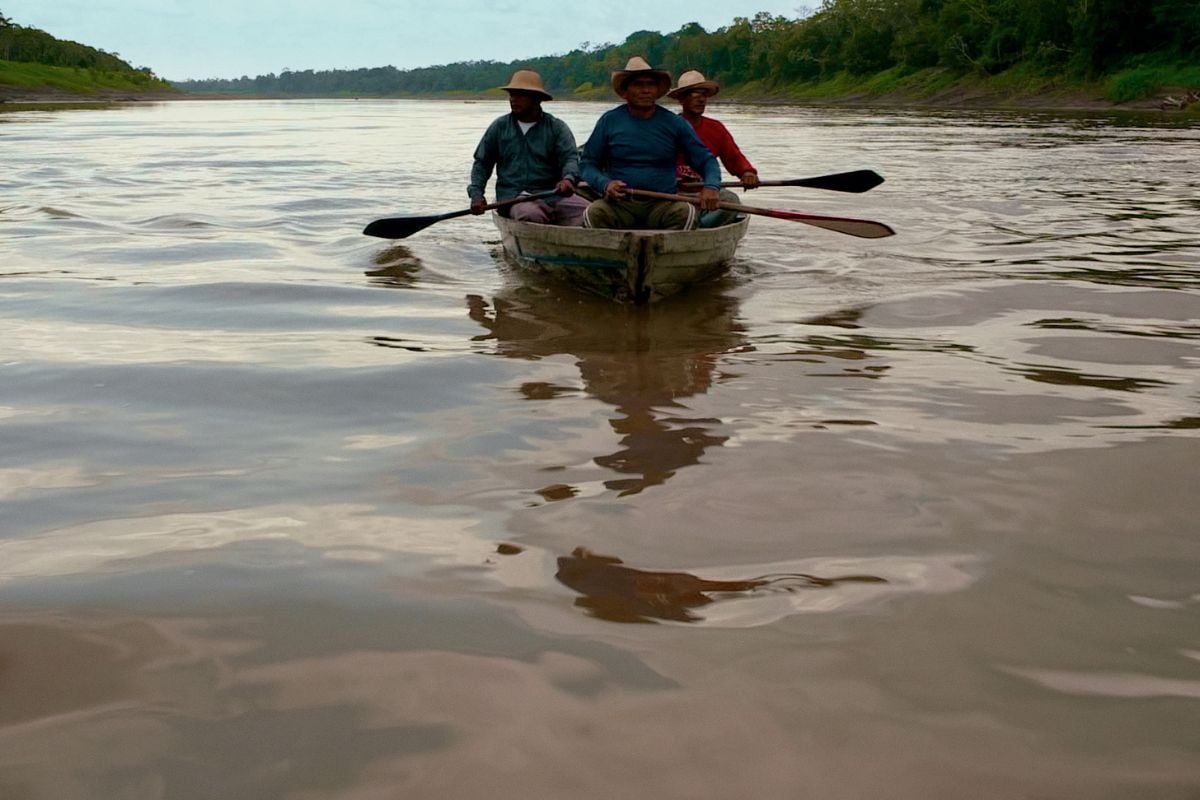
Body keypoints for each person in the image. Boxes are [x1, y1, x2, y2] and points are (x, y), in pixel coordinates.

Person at [580, 57, 721, 230]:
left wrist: (711, 186)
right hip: (620, 205)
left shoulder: (674, 123)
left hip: (663, 204)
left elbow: (706, 161)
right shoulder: (609, 121)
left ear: (657, 90)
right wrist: (605, 184)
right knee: (593, 213)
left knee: (686, 213)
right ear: (626, 91)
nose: (645, 90)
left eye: (650, 84)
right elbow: (588, 164)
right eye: (638, 85)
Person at [469, 69, 588, 225]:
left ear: (537, 99)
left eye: (520, 95)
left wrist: (568, 179)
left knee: (591, 214)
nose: (513, 99)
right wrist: (477, 195)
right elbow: (482, 164)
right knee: (530, 215)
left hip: (553, 195)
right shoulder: (499, 127)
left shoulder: (556, 128)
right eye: (512, 95)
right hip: (512, 198)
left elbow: (570, 158)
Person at [668, 70, 759, 228]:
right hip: (673, 193)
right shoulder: (668, 127)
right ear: (681, 99)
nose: (701, 99)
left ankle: (697, 227)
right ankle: (688, 223)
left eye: (703, 94)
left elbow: (734, 157)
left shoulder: (715, 128)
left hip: (707, 192)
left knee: (731, 201)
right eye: (694, 94)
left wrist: (747, 172)